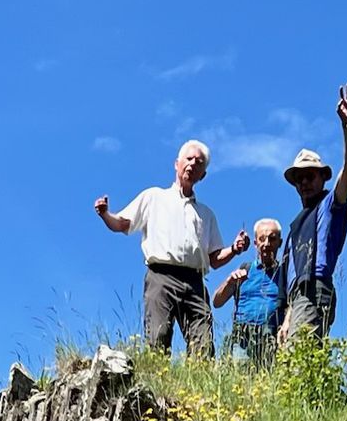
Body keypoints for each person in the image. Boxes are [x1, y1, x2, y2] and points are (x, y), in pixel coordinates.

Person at [94, 141, 248, 356]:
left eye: (199, 162)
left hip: (195, 282)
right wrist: (105, 214)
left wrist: (234, 248)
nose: (193, 164)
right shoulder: (154, 197)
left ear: (203, 175)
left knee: (203, 342)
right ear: (177, 164)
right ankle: (158, 388)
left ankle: (199, 386)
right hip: (161, 276)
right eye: (189, 159)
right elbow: (122, 224)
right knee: (158, 337)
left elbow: (214, 258)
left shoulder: (206, 214)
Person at [281, 84, 347, 343]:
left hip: (316, 289)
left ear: (322, 178)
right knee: (297, 364)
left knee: (299, 359)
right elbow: (293, 276)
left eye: (309, 176)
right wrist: (287, 318)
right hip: (298, 297)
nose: (304, 182)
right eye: (299, 179)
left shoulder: (330, 204)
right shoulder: (295, 226)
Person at [212, 218, 286, 364]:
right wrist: (229, 282)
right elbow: (217, 302)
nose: (266, 244)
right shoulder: (245, 269)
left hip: (273, 340)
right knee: (241, 383)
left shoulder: (285, 274)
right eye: (262, 239)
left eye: (272, 239)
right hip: (243, 341)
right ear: (255, 243)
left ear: (280, 242)